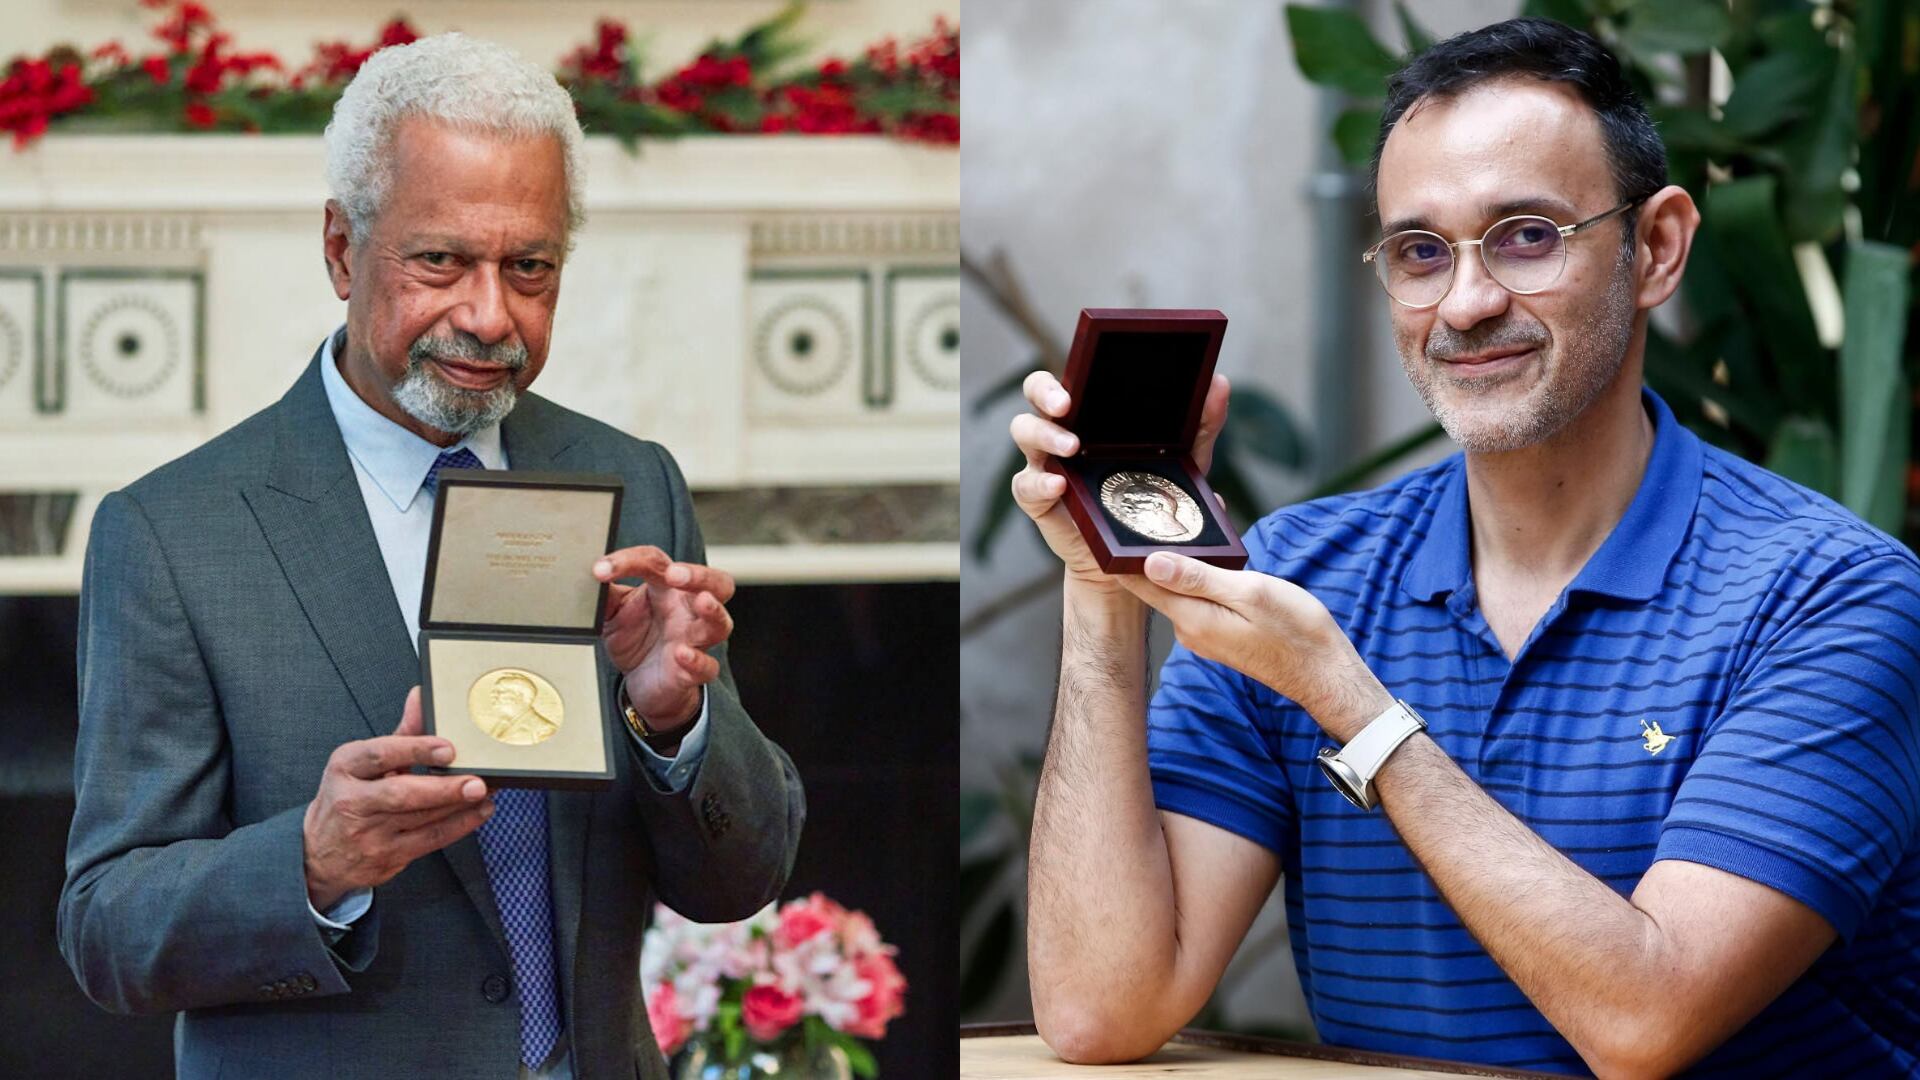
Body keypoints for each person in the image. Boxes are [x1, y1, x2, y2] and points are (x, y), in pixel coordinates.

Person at [1011, 18, 1918, 1079]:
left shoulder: (1830, 596)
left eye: (1528, 235)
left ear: (1657, 247)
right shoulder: (1302, 574)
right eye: (1420, 252)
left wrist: (1356, 709)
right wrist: (1103, 584)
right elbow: (1100, 1013)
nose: (1468, 303)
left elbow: (1647, 1022)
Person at [58, 33, 804, 1080]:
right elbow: (106, 931)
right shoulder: (176, 534)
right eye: (441, 259)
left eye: (530, 268)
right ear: (339, 249)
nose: (488, 314)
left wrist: (672, 717)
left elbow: (741, 878)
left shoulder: (632, 481)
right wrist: (312, 864)